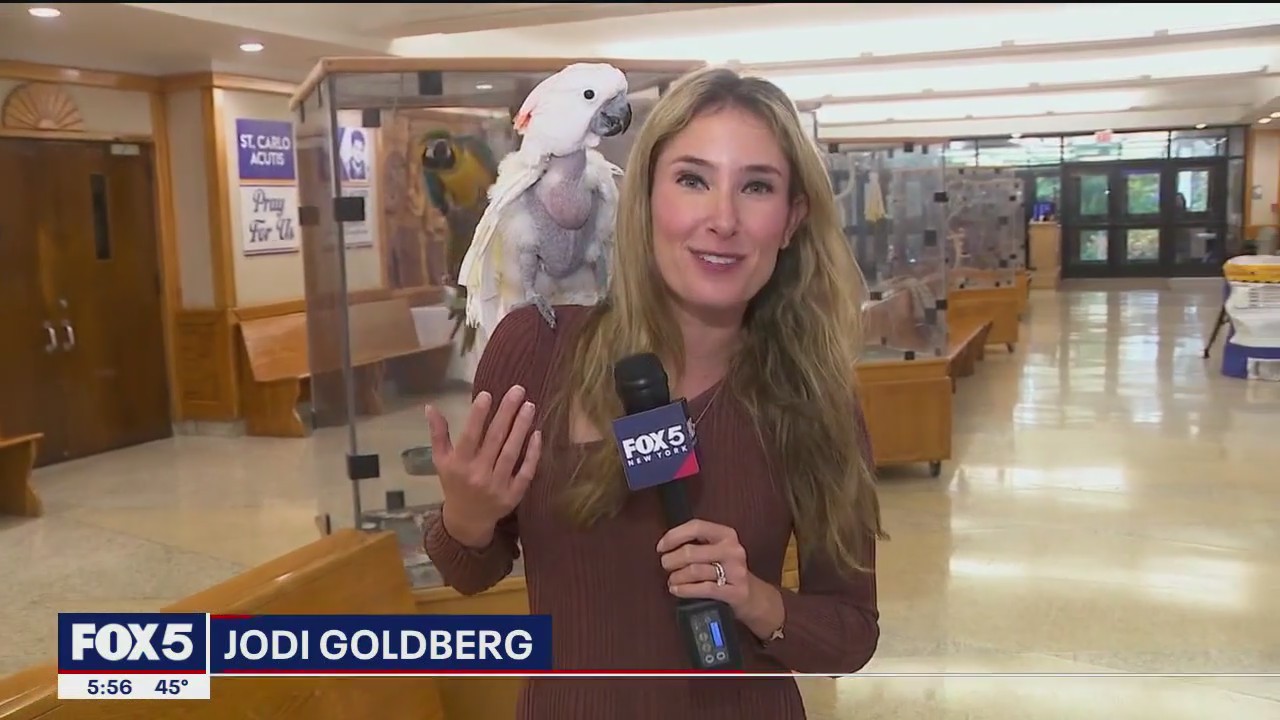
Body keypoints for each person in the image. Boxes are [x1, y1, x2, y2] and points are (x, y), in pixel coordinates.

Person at [422, 65, 885, 720]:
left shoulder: (815, 399)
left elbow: (850, 633)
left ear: (790, 220)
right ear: (643, 199)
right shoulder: (536, 349)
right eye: (693, 180)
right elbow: (468, 569)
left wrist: (755, 596)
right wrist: (466, 517)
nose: (722, 219)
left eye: (756, 187)